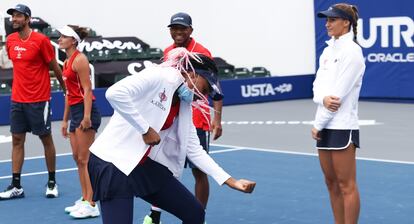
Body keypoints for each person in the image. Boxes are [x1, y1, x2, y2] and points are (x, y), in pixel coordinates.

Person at [88, 48, 255, 224]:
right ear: (191, 73)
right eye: (204, 88)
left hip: (140, 165)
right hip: (112, 163)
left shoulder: (184, 104)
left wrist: (231, 181)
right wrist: (145, 129)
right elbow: (114, 93)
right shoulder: (160, 76)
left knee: (195, 213)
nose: (203, 96)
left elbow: (194, 150)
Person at [143, 12, 224, 224]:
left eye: (182, 28)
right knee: (162, 166)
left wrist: (218, 119)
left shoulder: (201, 52)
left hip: (197, 117)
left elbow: (214, 83)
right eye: (174, 28)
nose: (178, 32)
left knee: (199, 170)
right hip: (171, 116)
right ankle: (155, 215)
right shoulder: (168, 52)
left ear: (190, 30)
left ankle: (199, 216)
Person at [0, 4, 66, 200]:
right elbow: (18, 64)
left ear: (28, 19)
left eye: (18, 16)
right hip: (17, 100)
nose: (14, 20)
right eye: (13, 17)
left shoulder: (41, 40)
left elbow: (54, 66)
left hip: (39, 99)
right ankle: (16, 186)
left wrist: (65, 89)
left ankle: (52, 182)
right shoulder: (10, 40)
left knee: (46, 139)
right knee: (17, 140)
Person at [312, 4, 365, 224]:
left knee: (346, 185)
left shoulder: (352, 52)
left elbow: (337, 98)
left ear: (347, 23)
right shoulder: (327, 50)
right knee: (331, 183)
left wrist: (318, 124)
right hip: (324, 125)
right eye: (327, 20)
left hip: (342, 126)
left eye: (333, 19)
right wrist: (321, 100)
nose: (327, 23)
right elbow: (317, 88)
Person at [57, 25, 101, 218]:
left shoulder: (80, 60)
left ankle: (92, 203)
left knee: (85, 160)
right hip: (75, 112)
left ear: (73, 40)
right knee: (77, 158)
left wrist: (86, 117)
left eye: (63, 36)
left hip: (85, 112)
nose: (59, 39)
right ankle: (84, 198)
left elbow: (87, 90)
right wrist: (65, 120)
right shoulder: (66, 62)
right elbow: (69, 94)